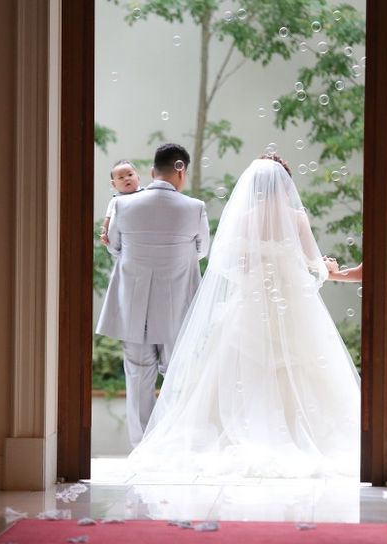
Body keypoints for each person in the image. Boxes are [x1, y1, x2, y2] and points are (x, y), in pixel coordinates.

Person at [123, 156, 360, 479]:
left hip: (250, 302)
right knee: (302, 362)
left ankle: (237, 427)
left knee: (237, 364)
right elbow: (313, 265)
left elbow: (229, 265)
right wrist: (328, 267)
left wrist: (256, 271)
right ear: (286, 185)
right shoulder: (296, 218)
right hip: (291, 302)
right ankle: (298, 431)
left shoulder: (245, 218)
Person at [96, 143, 210, 447]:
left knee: (137, 376)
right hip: (177, 308)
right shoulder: (195, 208)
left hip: (134, 307)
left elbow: (114, 247)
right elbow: (202, 251)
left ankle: (141, 448)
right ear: (181, 170)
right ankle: (173, 445)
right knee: (178, 376)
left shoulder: (122, 206)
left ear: (151, 172)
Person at [99, 160, 143, 246]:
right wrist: (104, 233)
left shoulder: (145, 194)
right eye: (121, 177)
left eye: (130, 175)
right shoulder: (116, 200)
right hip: (126, 235)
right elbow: (108, 218)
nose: (126, 178)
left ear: (138, 177)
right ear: (114, 184)